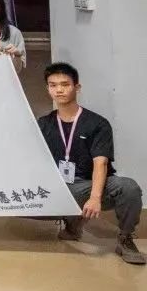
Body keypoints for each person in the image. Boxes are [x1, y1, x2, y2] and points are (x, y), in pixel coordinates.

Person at [37, 63, 143, 265]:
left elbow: (100, 163)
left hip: (87, 186)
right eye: (53, 85)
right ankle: (72, 222)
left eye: (65, 84)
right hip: (57, 187)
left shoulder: (97, 123)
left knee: (128, 187)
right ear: (47, 88)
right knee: (8, 198)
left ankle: (126, 239)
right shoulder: (43, 124)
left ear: (77, 87)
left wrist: (94, 197)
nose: (59, 90)